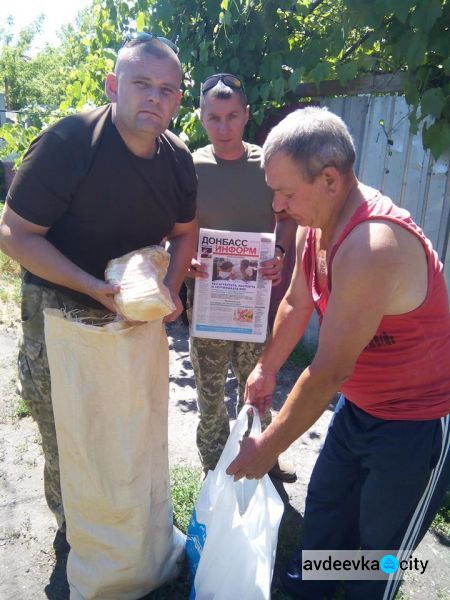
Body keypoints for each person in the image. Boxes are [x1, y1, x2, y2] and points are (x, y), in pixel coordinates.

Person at [227, 107, 450, 599]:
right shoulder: (317, 223)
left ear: (330, 178)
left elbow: (327, 372)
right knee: (326, 507)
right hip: (359, 407)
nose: (278, 207)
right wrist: (266, 367)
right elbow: (296, 300)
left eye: (286, 192)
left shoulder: (373, 245)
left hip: (415, 422)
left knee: (379, 548)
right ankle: (314, 589)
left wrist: (267, 448)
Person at [0, 33, 198, 536]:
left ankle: (127, 530)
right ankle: (79, 538)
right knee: (67, 430)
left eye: (168, 89)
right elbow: (14, 233)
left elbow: (185, 231)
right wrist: (89, 285)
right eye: (142, 83)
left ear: (178, 100)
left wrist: (171, 288)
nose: (155, 97)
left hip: (134, 307)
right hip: (60, 304)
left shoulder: (177, 158)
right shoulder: (67, 143)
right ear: (113, 85)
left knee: (126, 423)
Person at [186, 73, 297, 481]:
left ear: (247, 116)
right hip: (209, 303)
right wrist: (185, 264)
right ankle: (214, 465)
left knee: (257, 387)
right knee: (210, 391)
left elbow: (286, 219)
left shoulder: (267, 164)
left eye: (232, 116)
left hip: (254, 303)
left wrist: (281, 251)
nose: (224, 127)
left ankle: (261, 456)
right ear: (201, 117)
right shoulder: (189, 165)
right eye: (214, 117)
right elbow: (177, 229)